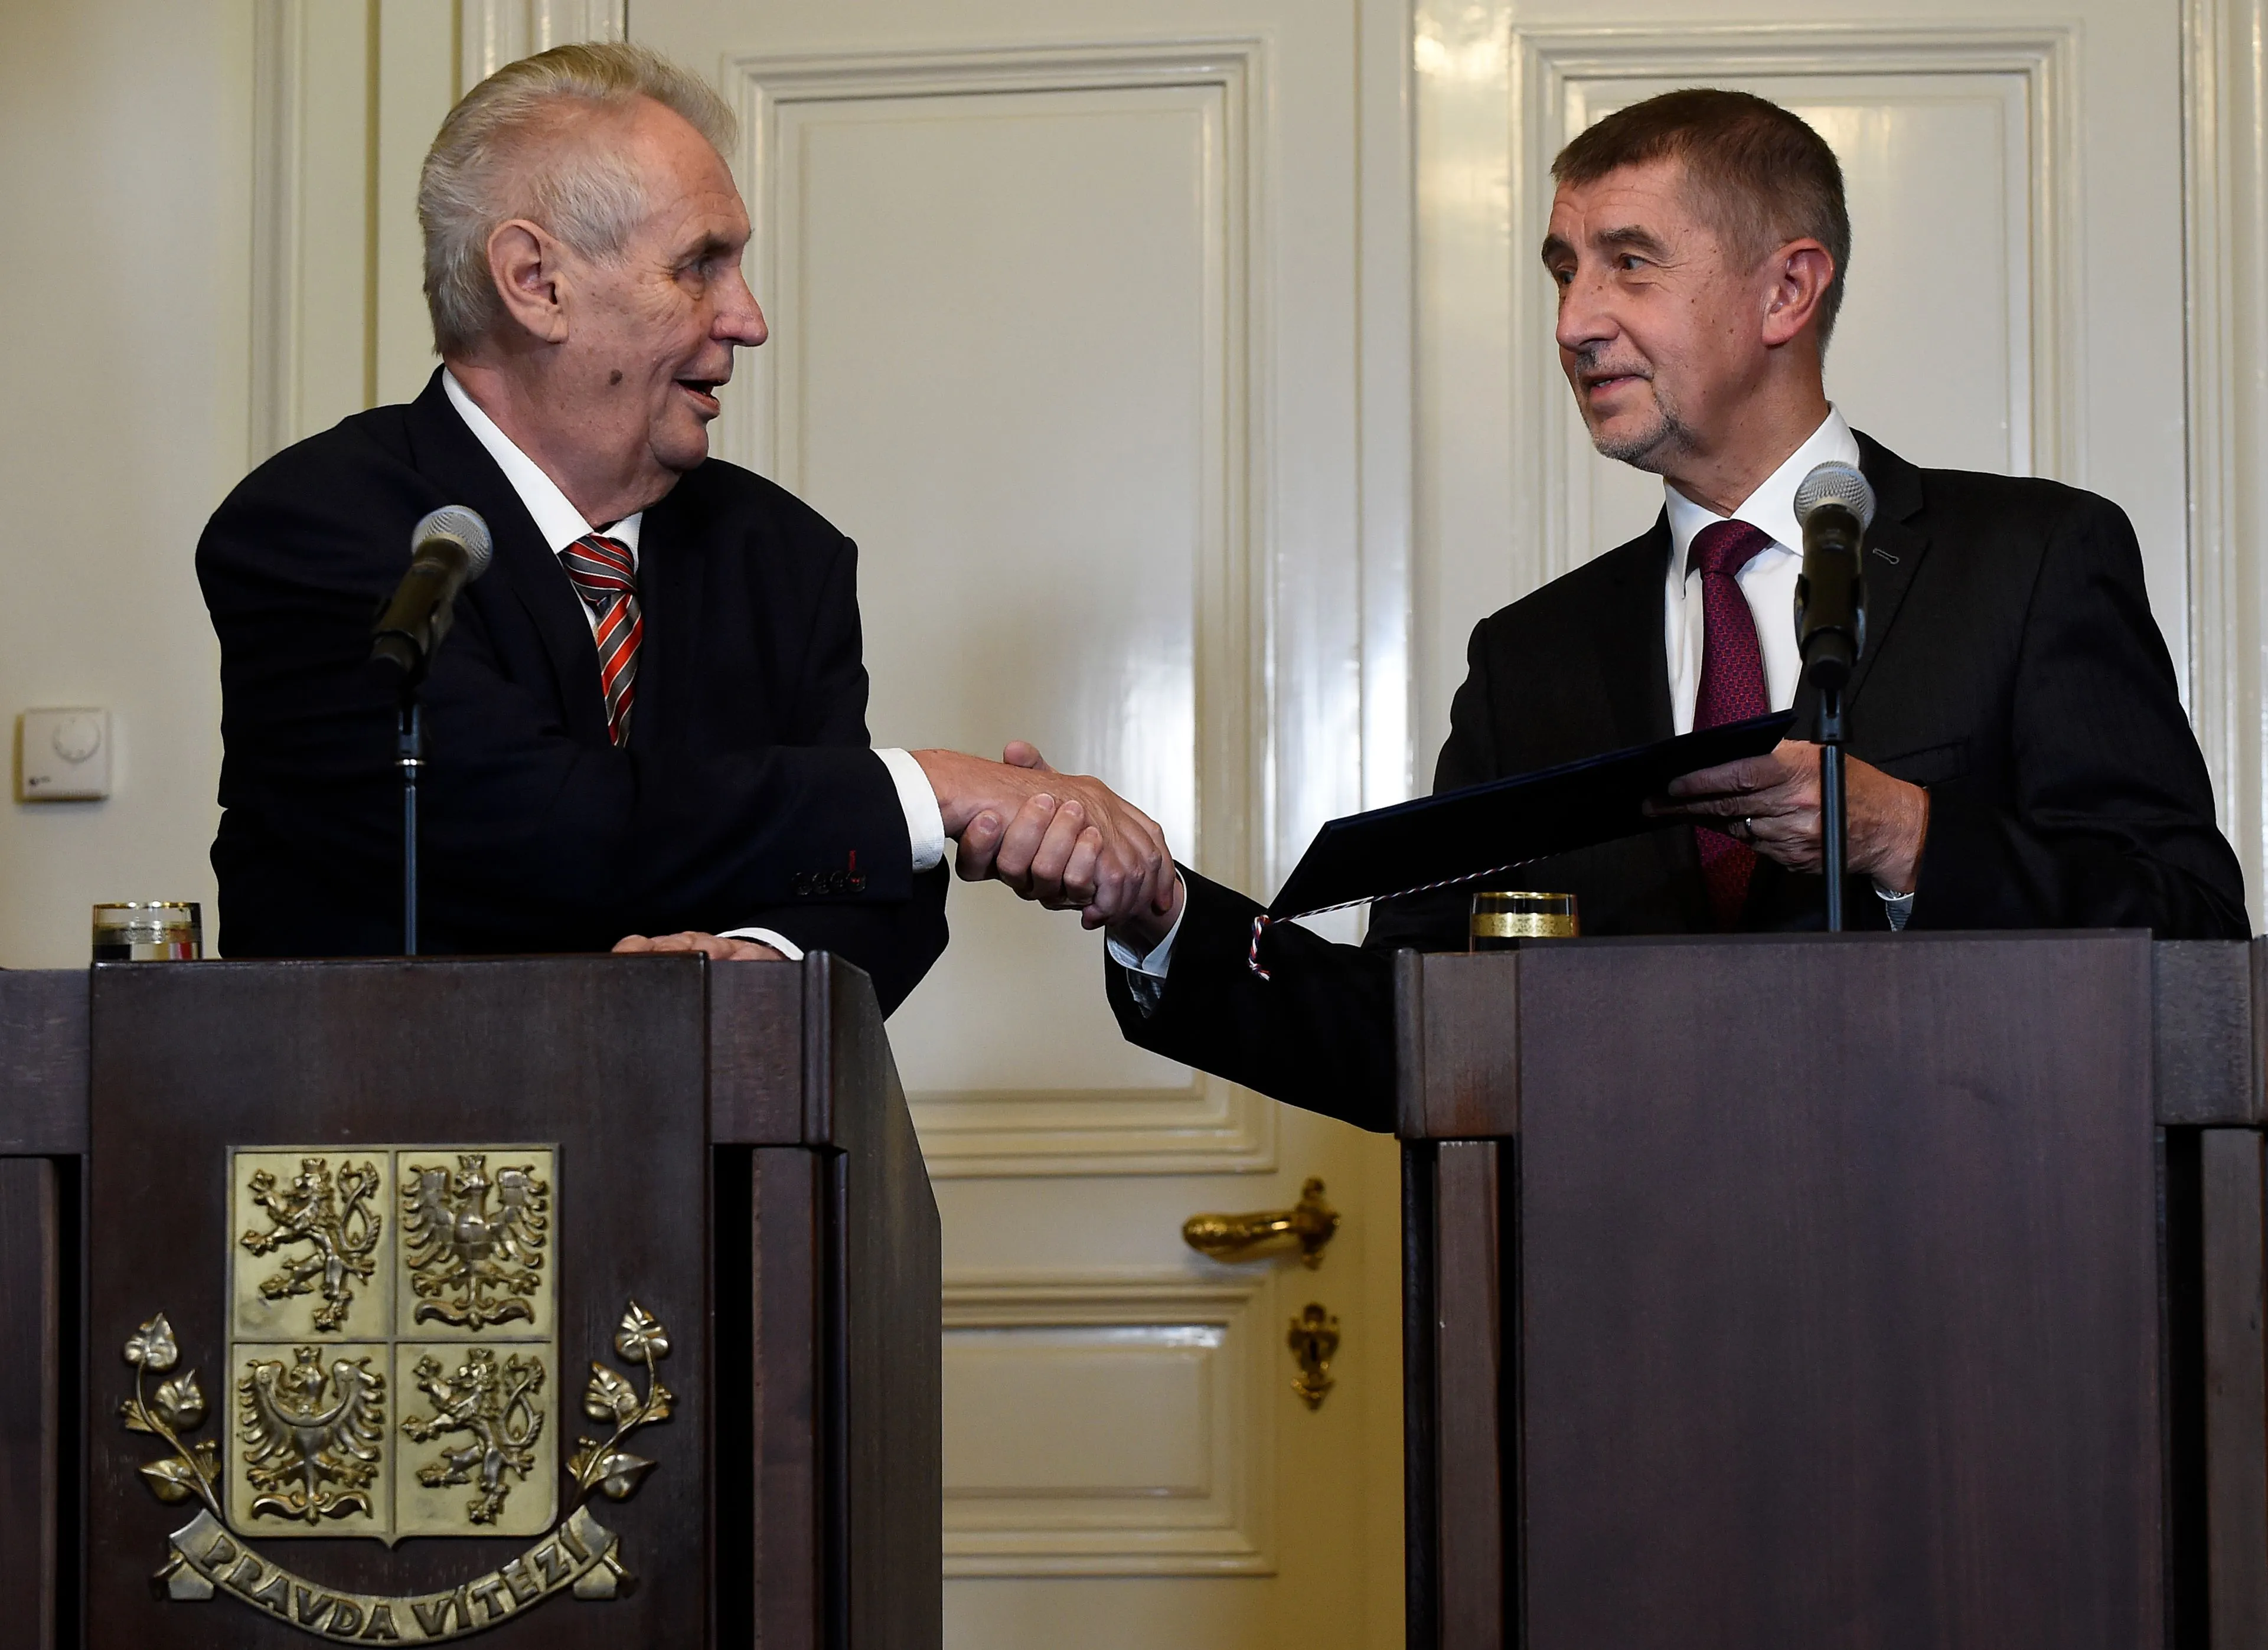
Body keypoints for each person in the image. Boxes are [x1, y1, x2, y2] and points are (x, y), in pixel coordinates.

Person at [965, 87, 2250, 1122]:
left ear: (1787, 291)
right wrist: (1160, 913)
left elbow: (2192, 937)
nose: (1578, 320)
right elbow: (1403, 1032)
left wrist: (1907, 838)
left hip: (1984, 1315)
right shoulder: (1533, 659)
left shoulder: (2028, 558)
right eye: (1564, 270)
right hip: (1623, 1336)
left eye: (1631, 265)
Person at [197, 42, 1171, 1012]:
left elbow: (882, 881)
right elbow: (529, 821)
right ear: (535, 280)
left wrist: (762, 964)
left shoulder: (785, 559)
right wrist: (940, 787)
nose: (746, 319)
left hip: (713, 1158)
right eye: (700, 266)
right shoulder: (318, 529)